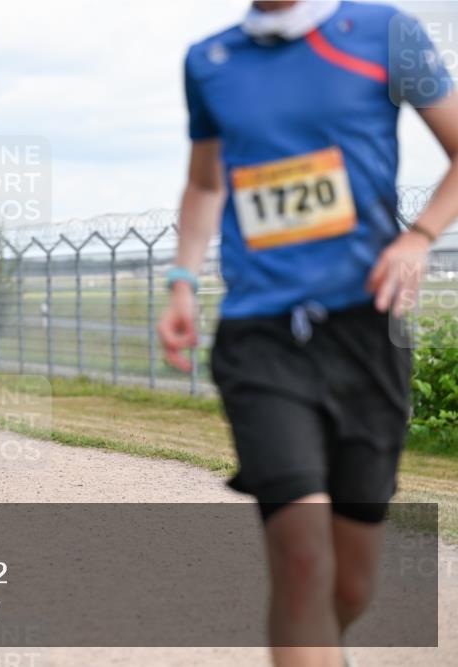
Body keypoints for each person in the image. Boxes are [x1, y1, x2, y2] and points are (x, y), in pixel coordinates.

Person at [157, 2, 457, 664]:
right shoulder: (210, 61)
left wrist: (420, 236)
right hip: (259, 335)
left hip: (364, 332)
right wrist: (182, 277)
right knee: (301, 556)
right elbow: (205, 182)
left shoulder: (387, 33)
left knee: (349, 583)